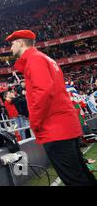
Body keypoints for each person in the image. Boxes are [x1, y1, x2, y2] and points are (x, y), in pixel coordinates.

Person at [6, 29, 97, 186]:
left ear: (21, 42)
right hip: (63, 125)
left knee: (75, 179)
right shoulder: (43, 58)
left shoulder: (34, 60)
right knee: (80, 174)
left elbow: (43, 93)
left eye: (12, 43)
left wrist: (35, 123)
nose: (10, 48)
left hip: (55, 128)